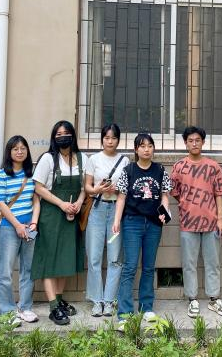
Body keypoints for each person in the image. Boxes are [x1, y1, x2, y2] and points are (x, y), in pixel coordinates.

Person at [171, 126, 222, 319]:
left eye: (198, 140)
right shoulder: (179, 167)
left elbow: (219, 194)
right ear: (185, 143)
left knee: (213, 263)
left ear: (203, 142)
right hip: (188, 222)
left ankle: (214, 299)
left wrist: (220, 218)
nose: (194, 143)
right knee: (189, 263)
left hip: (211, 222)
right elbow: (174, 191)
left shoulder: (213, 166)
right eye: (190, 140)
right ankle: (192, 299)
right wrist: (187, 204)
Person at [31, 120, 88, 325]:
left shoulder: (82, 158)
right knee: (49, 259)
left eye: (66, 133)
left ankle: (59, 298)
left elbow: (85, 186)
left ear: (73, 136)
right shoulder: (48, 159)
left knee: (65, 258)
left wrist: (78, 203)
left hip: (72, 214)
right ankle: (53, 306)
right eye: (58, 134)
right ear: (54, 138)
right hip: (51, 215)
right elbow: (38, 187)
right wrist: (62, 204)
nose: (62, 137)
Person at [113, 133, 171, 329]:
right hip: (132, 222)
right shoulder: (128, 170)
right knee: (130, 266)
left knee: (148, 267)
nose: (147, 149)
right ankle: (125, 313)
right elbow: (121, 197)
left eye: (150, 146)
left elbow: (164, 196)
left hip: (154, 224)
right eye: (142, 146)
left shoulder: (160, 170)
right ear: (136, 149)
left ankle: (146, 307)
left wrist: (165, 212)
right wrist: (116, 220)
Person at [83, 124, 130, 317]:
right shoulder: (93, 159)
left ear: (118, 140)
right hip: (97, 209)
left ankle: (109, 301)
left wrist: (116, 189)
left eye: (114, 138)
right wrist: (98, 189)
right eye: (107, 137)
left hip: (116, 211)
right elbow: (87, 187)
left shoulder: (124, 160)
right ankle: (97, 301)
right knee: (94, 257)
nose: (110, 141)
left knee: (114, 257)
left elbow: (126, 189)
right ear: (102, 139)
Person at [0, 135, 40, 324]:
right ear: (9, 152)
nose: (20, 152)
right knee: (5, 272)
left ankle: (25, 307)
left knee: (28, 270)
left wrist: (34, 223)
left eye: (23, 148)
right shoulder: (1, 175)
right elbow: (1, 204)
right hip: (9, 228)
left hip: (30, 227)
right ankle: (7, 313)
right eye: (15, 149)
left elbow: (36, 200)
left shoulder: (31, 174)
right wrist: (18, 225)